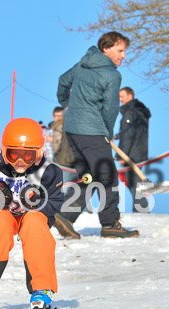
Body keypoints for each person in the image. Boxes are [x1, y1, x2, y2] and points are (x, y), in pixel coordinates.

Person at [0, 118, 64, 309]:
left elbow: (55, 202)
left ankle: (42, 290)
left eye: (28, 156)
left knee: (34, 226)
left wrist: (38, 203)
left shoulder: (49, 171)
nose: (20, 161)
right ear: (4, 150)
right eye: (14, 155)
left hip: (34, 215)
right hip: (5, 213)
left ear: (40, 152)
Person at [53, 31, 139, 239]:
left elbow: (62, 82)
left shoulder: (82, 64)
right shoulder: (112, 75)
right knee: (108, 176)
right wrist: (107, 134)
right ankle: (110, 224)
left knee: (90, 176)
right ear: (106, 48)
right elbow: (110, 109)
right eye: (120, 50)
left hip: (73, 130)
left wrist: (68, 107)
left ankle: (65, 216)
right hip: (92, 131)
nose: (123, 56)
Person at [117, 87, 151, 212]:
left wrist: (122, 155)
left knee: (133, 183)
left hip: (132, 154)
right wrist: (116, 137)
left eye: (122, 96)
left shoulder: (130, 111)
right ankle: (140, 210)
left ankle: (142, 211)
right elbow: (132, 131)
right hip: (140, 151)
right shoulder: (140, 111)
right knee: (134, 182)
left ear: (130, 96)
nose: (120, 100)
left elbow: (128, 135)